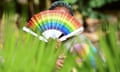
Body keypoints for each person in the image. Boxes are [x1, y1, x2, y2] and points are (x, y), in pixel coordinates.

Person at [49, 1, 97, 69]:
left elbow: (91, 65)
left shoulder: (80, 40)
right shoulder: (43, 42)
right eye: (56, 18)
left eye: (65, 18)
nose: (60, 22)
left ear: (71, 21)